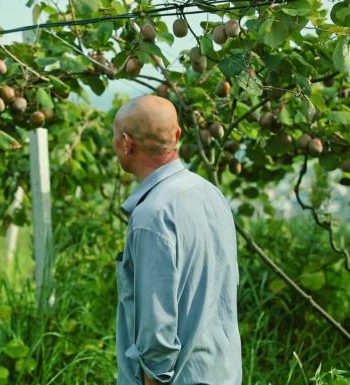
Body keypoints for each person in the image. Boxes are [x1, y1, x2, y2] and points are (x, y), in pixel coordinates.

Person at [111, 95, 241, 384]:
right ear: (178, 135)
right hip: (223, 374)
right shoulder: (210, 194)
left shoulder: (151, 216)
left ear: (126, 143)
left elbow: (157, 333)